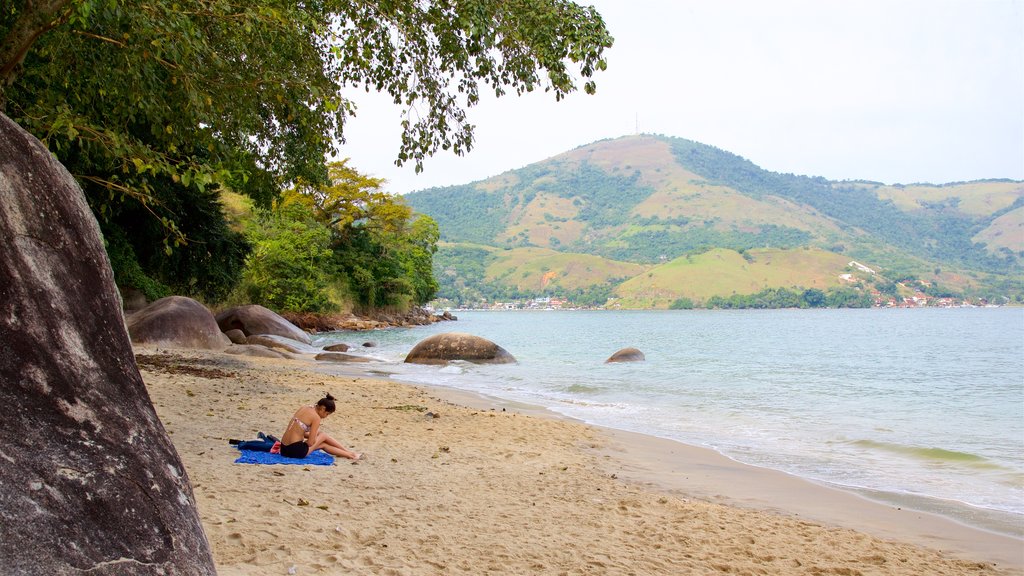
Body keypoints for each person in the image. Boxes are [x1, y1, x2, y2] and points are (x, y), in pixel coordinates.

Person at [280, 394, 361, 460]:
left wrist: (310, 440)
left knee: (322, 442)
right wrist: (309, 443)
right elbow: (311, 442)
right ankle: (351, 454)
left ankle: (349, 453)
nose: (326, 417)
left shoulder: (304, 408)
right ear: (323, 409)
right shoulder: (316, 418)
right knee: (323, 437)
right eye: (327, 414)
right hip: (295, 451)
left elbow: (298, 431)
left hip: (283, 449)